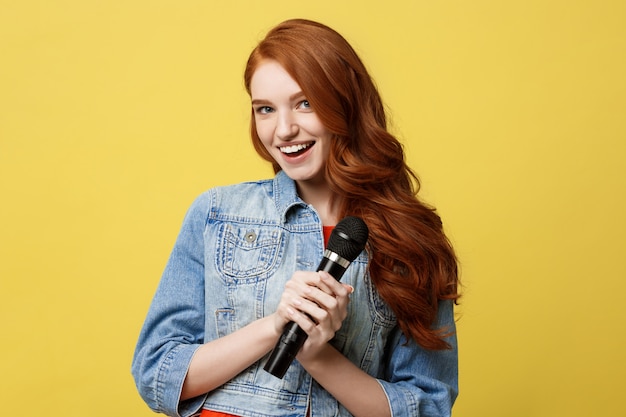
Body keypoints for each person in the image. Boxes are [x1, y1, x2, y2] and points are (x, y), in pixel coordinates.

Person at [132, 18, 460, 417]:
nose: (284, 130)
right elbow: (157, 371)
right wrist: (275, 326)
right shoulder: (218, 214)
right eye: (265, 109)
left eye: (304, 103)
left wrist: (318, 355)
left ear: (345, 103)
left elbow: (427, 407)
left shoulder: (411, 238)